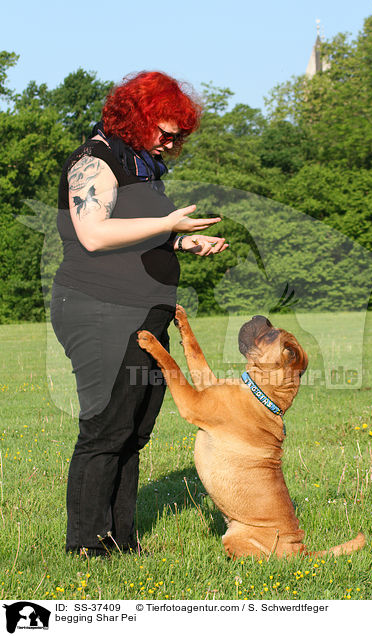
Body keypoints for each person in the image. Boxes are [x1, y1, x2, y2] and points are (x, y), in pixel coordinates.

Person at [50, 70, 228, 557]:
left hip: (143, 314)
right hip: (99, 309)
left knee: (134, 430)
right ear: (140, 116)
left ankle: (120, 542)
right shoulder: (95, 161)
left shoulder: (140, 163)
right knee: (107, 428)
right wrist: (169, 220)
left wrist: (180, 241)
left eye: (178, 136)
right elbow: (93, 235)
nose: (172, 145)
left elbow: (135, 231)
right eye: (166, 132)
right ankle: (86, 546)